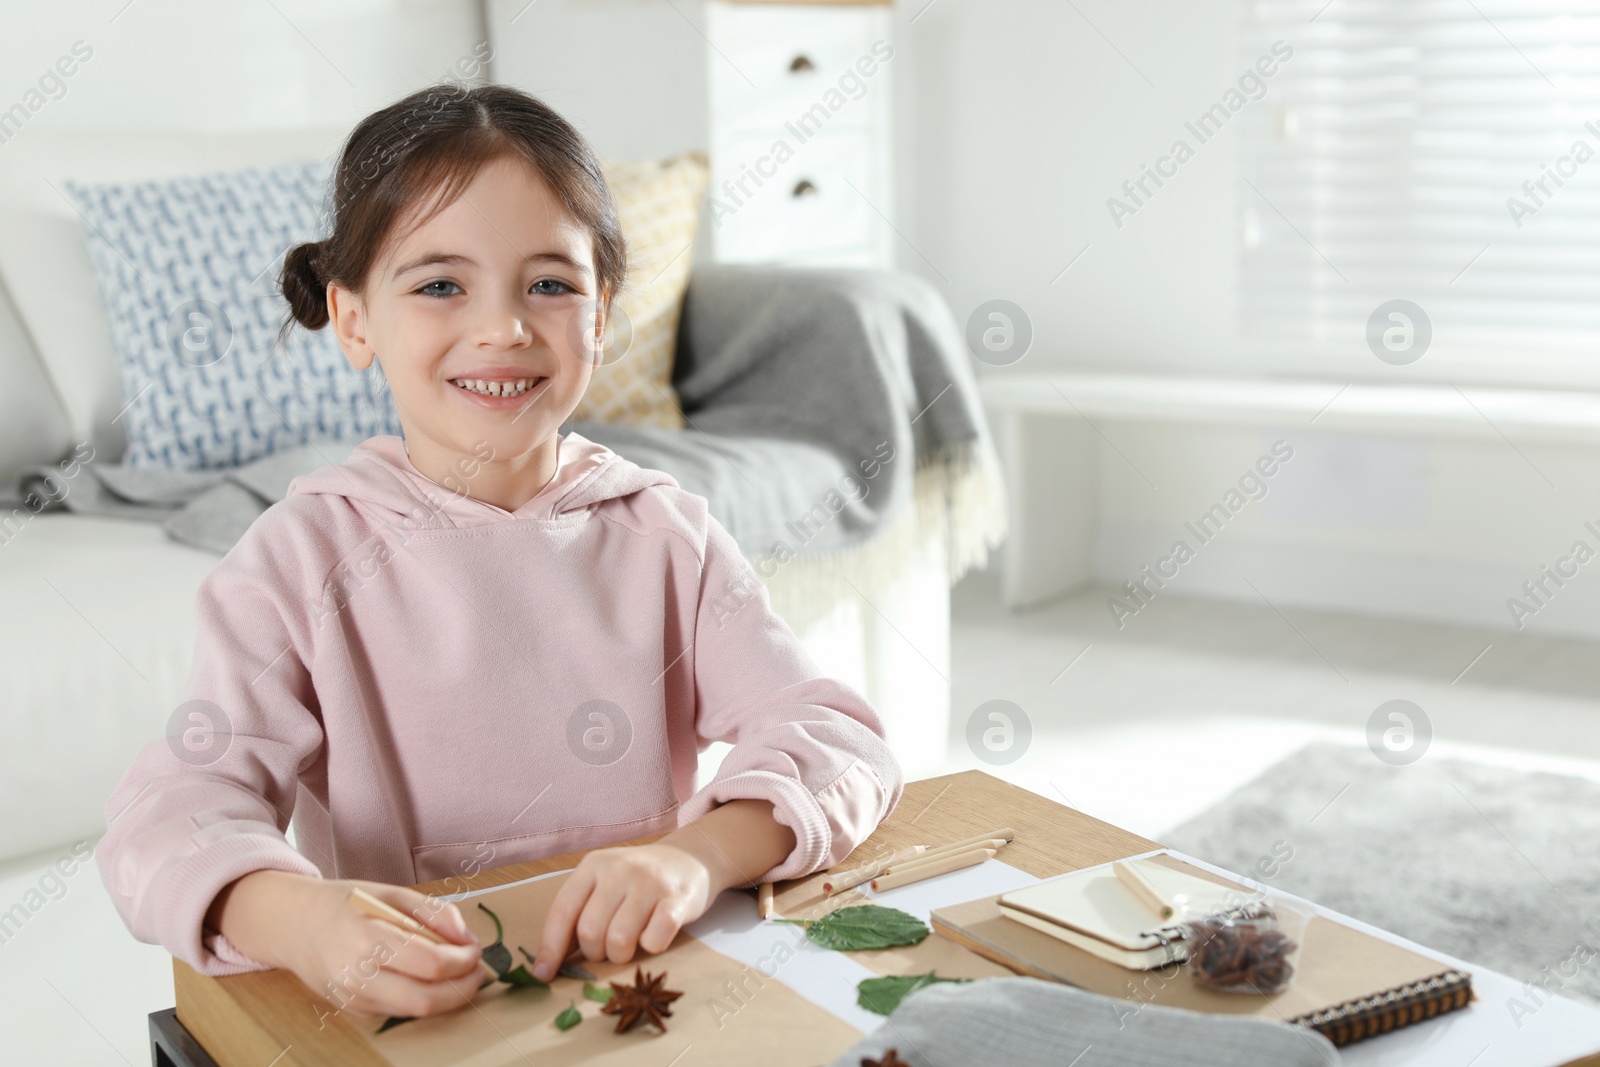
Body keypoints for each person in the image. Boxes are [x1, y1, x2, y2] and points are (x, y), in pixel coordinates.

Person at [95, 81, 903, 1023]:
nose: (503, 328)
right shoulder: (296, 560)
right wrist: (301, 919)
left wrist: (699, 856)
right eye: (440, 284)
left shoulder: (666, 536)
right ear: (354, 319)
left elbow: (840, 743)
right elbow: (171, 812)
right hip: (428, 1025)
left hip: (645, 1009)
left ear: (599, 316)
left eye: (550, 285)